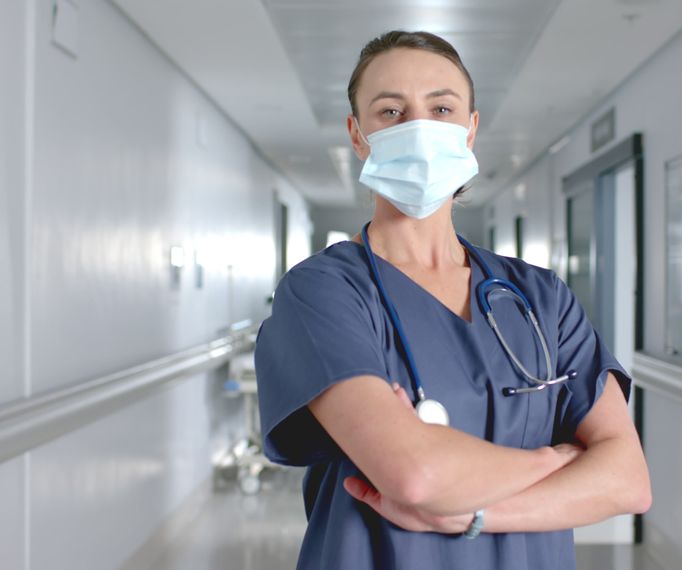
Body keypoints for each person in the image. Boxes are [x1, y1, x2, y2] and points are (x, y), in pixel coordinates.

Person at [255, 30, 651, 570]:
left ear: (470, 130)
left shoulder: (540, 297)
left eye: (441, 108)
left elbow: (627, 481)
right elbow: (414, 475)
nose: (419, 129)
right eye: (391, 111)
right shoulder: (322, 292)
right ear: (356, 134)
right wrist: (556, 459)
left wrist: (472, 513)